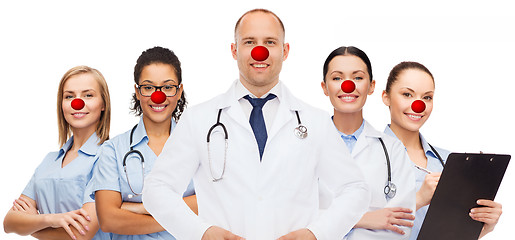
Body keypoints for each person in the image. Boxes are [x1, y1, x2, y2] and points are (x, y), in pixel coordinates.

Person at [143, 9, 370, 240]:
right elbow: (156, 189)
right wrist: (201, 233)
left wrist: (316, 234)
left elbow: (355, 190)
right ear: (234, 50)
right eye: (249, 42)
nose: (259, 52)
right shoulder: (199, 119)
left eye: (269, 42)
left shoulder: (315, 122)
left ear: (285, 51)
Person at [382, 61, 503, 239]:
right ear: (386, 97)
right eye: (407, 94)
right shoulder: (362, 155)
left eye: (427, 97)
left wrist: (482, 227)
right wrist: (418, 199)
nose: (418, 105)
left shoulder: (449, 162)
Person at [91, 46, 196, 239]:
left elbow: (212, 202)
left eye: (167, 87)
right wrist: (178, 214)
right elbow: (108, 220)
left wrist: (141, 208)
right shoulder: (113, 151)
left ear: (179, 91)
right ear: (137, 92)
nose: (158, 96)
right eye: (148, 87)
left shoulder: (199, 144)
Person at [3, 65, 112, 240]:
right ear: (62, 105)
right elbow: (9, 223)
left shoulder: (109, 157)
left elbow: (81, 232)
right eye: (69, 96)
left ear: (103, 104)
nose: (78, 103)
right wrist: (51, 219)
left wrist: (32, 225)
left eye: (88, 95)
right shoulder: (49, 160)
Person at [320, 46, 416, 239]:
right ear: (325, 87)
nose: (348, 85)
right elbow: (290, 217)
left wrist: (329, 222)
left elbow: (401, 226)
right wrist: (364, 219)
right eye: (337, 78)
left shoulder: (393, 150)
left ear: (371, 86)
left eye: (357, 77)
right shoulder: (302, 145)